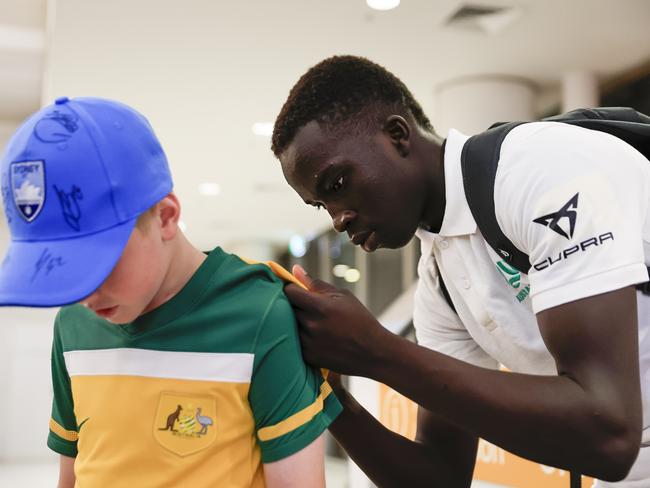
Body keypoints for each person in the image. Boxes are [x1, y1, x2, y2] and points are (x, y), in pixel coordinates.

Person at [271, 55, 650, 487]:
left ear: (397, 136)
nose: (337, 219)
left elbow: (610, 435)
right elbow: (440, 477)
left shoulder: (537, 169)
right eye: (322, 206)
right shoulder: (441, 280)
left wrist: (374, 350)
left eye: (336, 184)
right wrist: (328, 395)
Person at [0, 97, 341, 488]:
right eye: (63, 274)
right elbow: (72, 474)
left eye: (98, 265)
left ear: (164, 216)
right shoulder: (73, 324)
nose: (85, 296)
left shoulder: (260, 312)